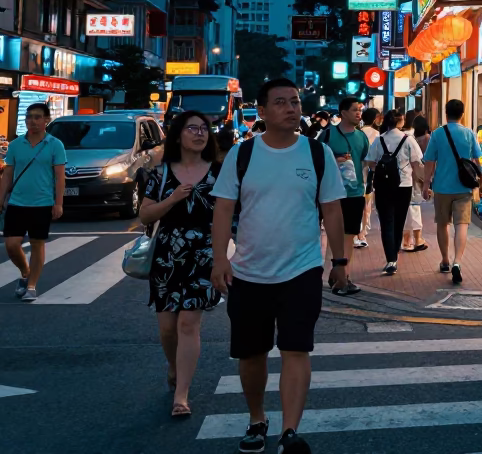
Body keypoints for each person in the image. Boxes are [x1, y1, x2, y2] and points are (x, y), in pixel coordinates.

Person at [210, 78, 347, 454]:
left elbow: (332, 210)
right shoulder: (243, 155)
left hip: (301, 270)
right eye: (281, 102)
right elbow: (223, 208)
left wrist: (340, 261)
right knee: (251, 354)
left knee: (295, 349)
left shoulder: (316, 154)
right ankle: (257, 419)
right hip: (249, 272)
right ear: (262, 111)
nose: (291, 108)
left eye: (295, 102)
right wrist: (220, 258)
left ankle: (290, 431)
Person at [139, 110, 222, 418]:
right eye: (192, 129)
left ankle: (182, 395)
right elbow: (145, 216)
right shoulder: (161, 174)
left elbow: (231, 215)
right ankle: (173, 366)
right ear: (178, 135)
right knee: (167, 329)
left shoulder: (218, 172)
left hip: (204, 252)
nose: (199, 134)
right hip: (168, 255)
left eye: (204, 129)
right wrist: (172, 198)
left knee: (189, 323)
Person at [1, 103, 68, 302]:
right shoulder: (15, 145)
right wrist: (1, 198)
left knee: (38, 243)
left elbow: (60, 177)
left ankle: (31, 285)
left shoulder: (55, 144)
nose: (33, 121)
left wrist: (58, 203)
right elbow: (8, 175)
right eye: (29, 117)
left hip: (42, 202)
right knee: (12, 244)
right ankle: (25, 272)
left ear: (46, 120)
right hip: (17, 202)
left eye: (38, 117)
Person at [421, 99, 482, 283]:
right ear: (462, 114)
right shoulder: (468, 133)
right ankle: (458, 261)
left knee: (443, 224)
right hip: (464, 187)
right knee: (462, 225)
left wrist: (426, 184)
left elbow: (430, 161)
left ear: (446, 113)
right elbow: (476, 160)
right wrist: (481, 182)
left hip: (442, 187)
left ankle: (445, 260)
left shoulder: (438, 134)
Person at [364, 109, 422, 275]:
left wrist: (382, 170)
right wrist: (423, 183)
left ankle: (391, 259)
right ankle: (394, 252)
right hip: (404, 185)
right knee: (399, 220)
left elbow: (369, 161)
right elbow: (417, 163)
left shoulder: (379, 140)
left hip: (383, 186)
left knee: (386, 222)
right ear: (400, 121)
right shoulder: (408, 139)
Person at [317, 98, 371, 269]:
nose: (358, 113)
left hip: (354, 193)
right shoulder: (327, 135)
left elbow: (364, 162)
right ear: (343, 112)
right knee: (334, 235)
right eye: (355, 109)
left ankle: (344, 276)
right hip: (331, 194)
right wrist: (335, 159)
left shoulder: (361, 136)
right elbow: (316, 161)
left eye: (360, 110)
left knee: (349, 235)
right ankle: (333, 274)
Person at [402, 115, 431, 252]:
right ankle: (416, 239)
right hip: (418, 175)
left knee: (407, 208)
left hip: (406, 176)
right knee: (414, 208)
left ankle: (406, 240)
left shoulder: (406, 137)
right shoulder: (426, 139)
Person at [358, 108, 381, 246]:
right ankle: (362, 232)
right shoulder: (376, 134)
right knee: (366, 204)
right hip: (370, 172)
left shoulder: (358, 133)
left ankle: (359, 231)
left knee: (359, 202)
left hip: (358, 172)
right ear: (374, 119)